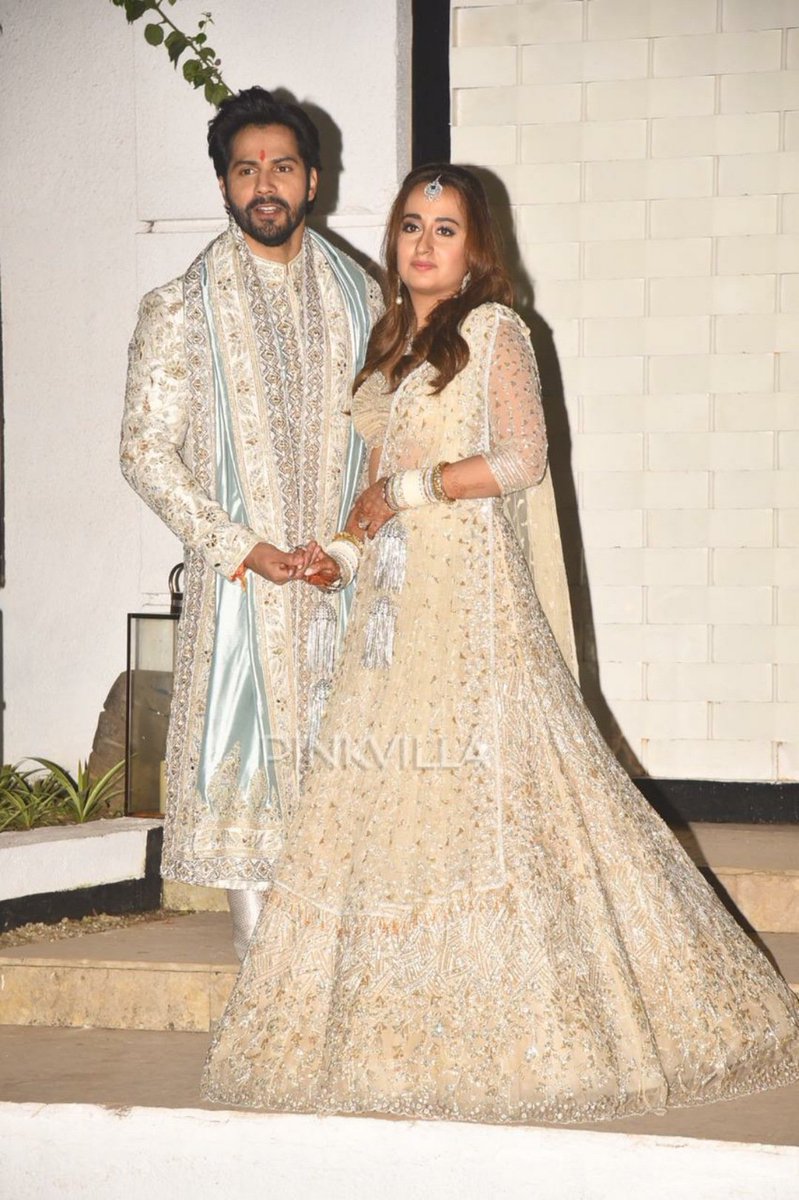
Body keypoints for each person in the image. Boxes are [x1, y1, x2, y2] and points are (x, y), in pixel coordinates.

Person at [203, 165, 799, 1122]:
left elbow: (523, 459)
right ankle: (399, 1032)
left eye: (446, 228)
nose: (424, 243)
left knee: (500, 793)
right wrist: (344, 554)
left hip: (474, 608)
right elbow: (378, 494)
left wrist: (403, 494)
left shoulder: (494, 331)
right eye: (409, 226)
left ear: (479, 247)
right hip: (394, 614)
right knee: (392, 802)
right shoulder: (394, 349)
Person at [120, 87, 382, 960]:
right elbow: (146, 453)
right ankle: (268, 999)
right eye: (245, 169)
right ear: (225, 186)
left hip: (349, 585)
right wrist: (241, 548)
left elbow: (390, 439)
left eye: (280, 166)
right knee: (254, 790)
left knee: (361, 789)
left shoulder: (368, 302)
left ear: (313, 179)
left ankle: (348, 993)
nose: (263, 184)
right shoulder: (178, 308)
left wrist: (349, 544)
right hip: (243, 591)